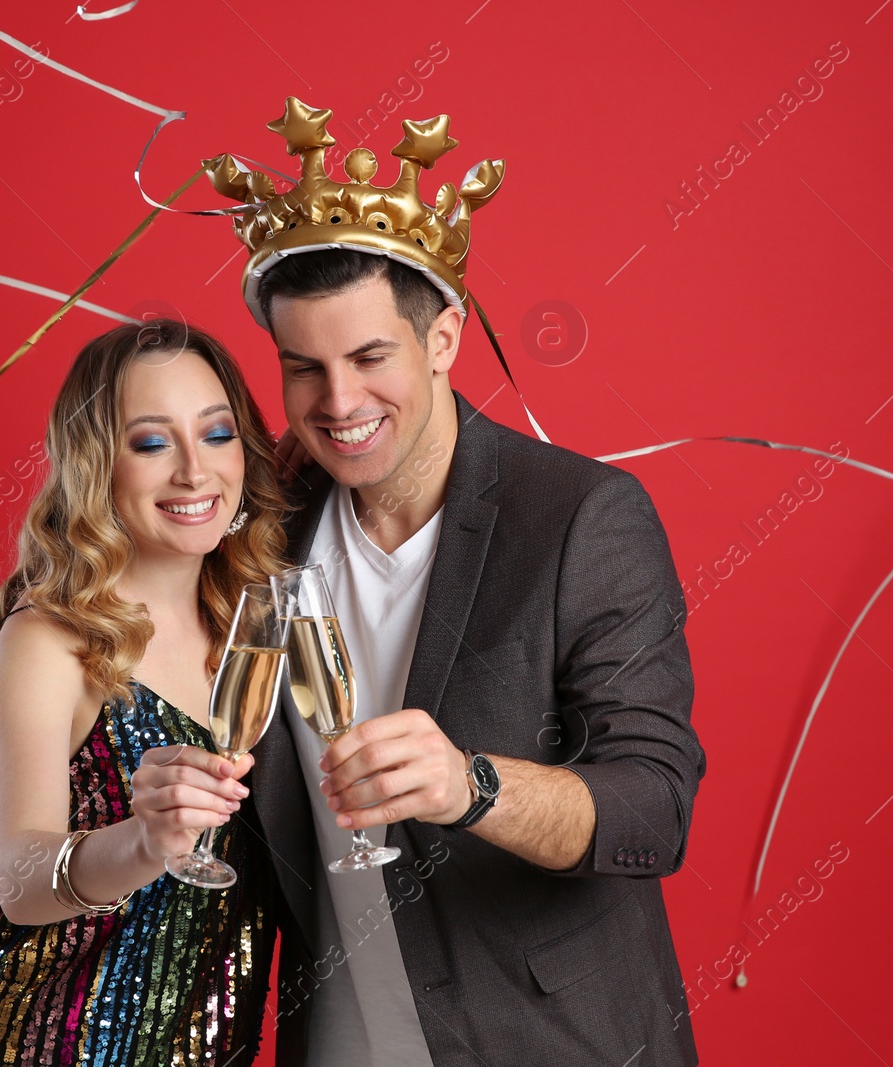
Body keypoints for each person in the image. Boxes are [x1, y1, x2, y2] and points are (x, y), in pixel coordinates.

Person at [202, 99, 708, 1066]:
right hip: (337, 1040)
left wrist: (469, 786)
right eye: (303, 368)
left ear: (444, 339)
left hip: (551, 1043)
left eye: (370, 357)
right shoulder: (263, 523)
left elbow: (654, 807)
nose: (339, 403)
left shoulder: (581, 514)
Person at [0, 319, 290, 1066]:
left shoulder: (257, 622)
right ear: (98, 465)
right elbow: (21, 882)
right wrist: (145, 841)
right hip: (49, 1042)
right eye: (152, 443)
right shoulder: (51, 637)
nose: (195, 472)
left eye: (217, 434)